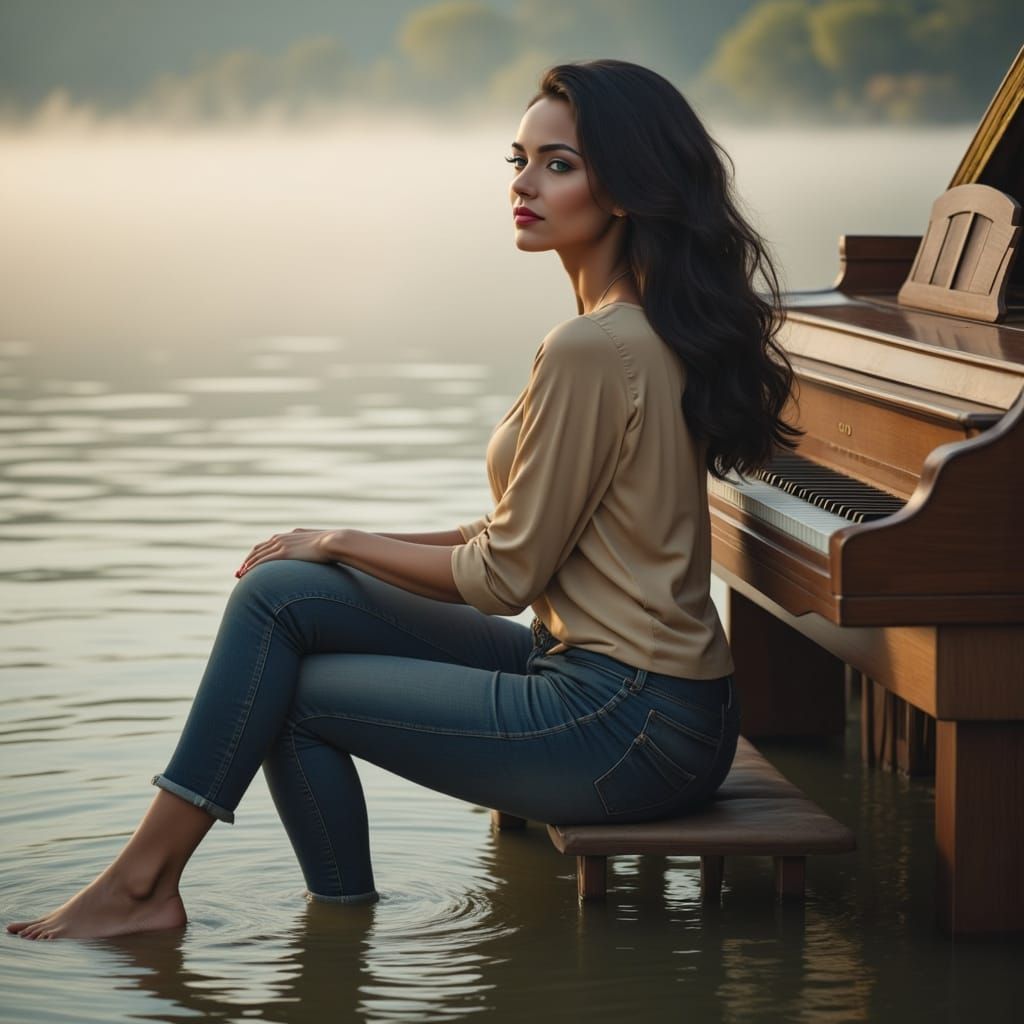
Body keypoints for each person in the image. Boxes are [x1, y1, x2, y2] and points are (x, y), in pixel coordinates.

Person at [7, 58, 799, 941]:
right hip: (652, 700)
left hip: (629, 723)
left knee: (291, 694)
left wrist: (346, 540)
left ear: (624, 189)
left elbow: (503, 575)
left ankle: (289, 925)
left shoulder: (596, 348)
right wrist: (341, 542)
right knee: (280, 594)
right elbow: (524, 535)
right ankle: (162, 888)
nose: (524, 184)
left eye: (558, 164)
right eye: (518, 160)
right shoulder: (641, 328)